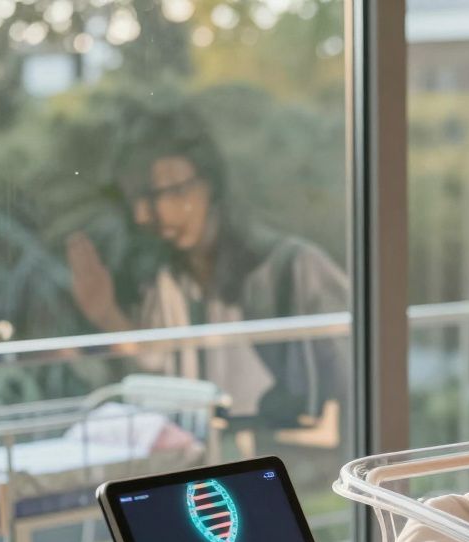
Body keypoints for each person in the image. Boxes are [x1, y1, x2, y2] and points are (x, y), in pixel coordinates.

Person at [65, 106, 349, 439]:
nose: (142, 215)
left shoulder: (295, 269)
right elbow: (159, 376)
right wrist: (106, 314)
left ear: (208, 183)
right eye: (133, 201)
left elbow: (357, 389)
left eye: (156, 194)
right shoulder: (165, 280)